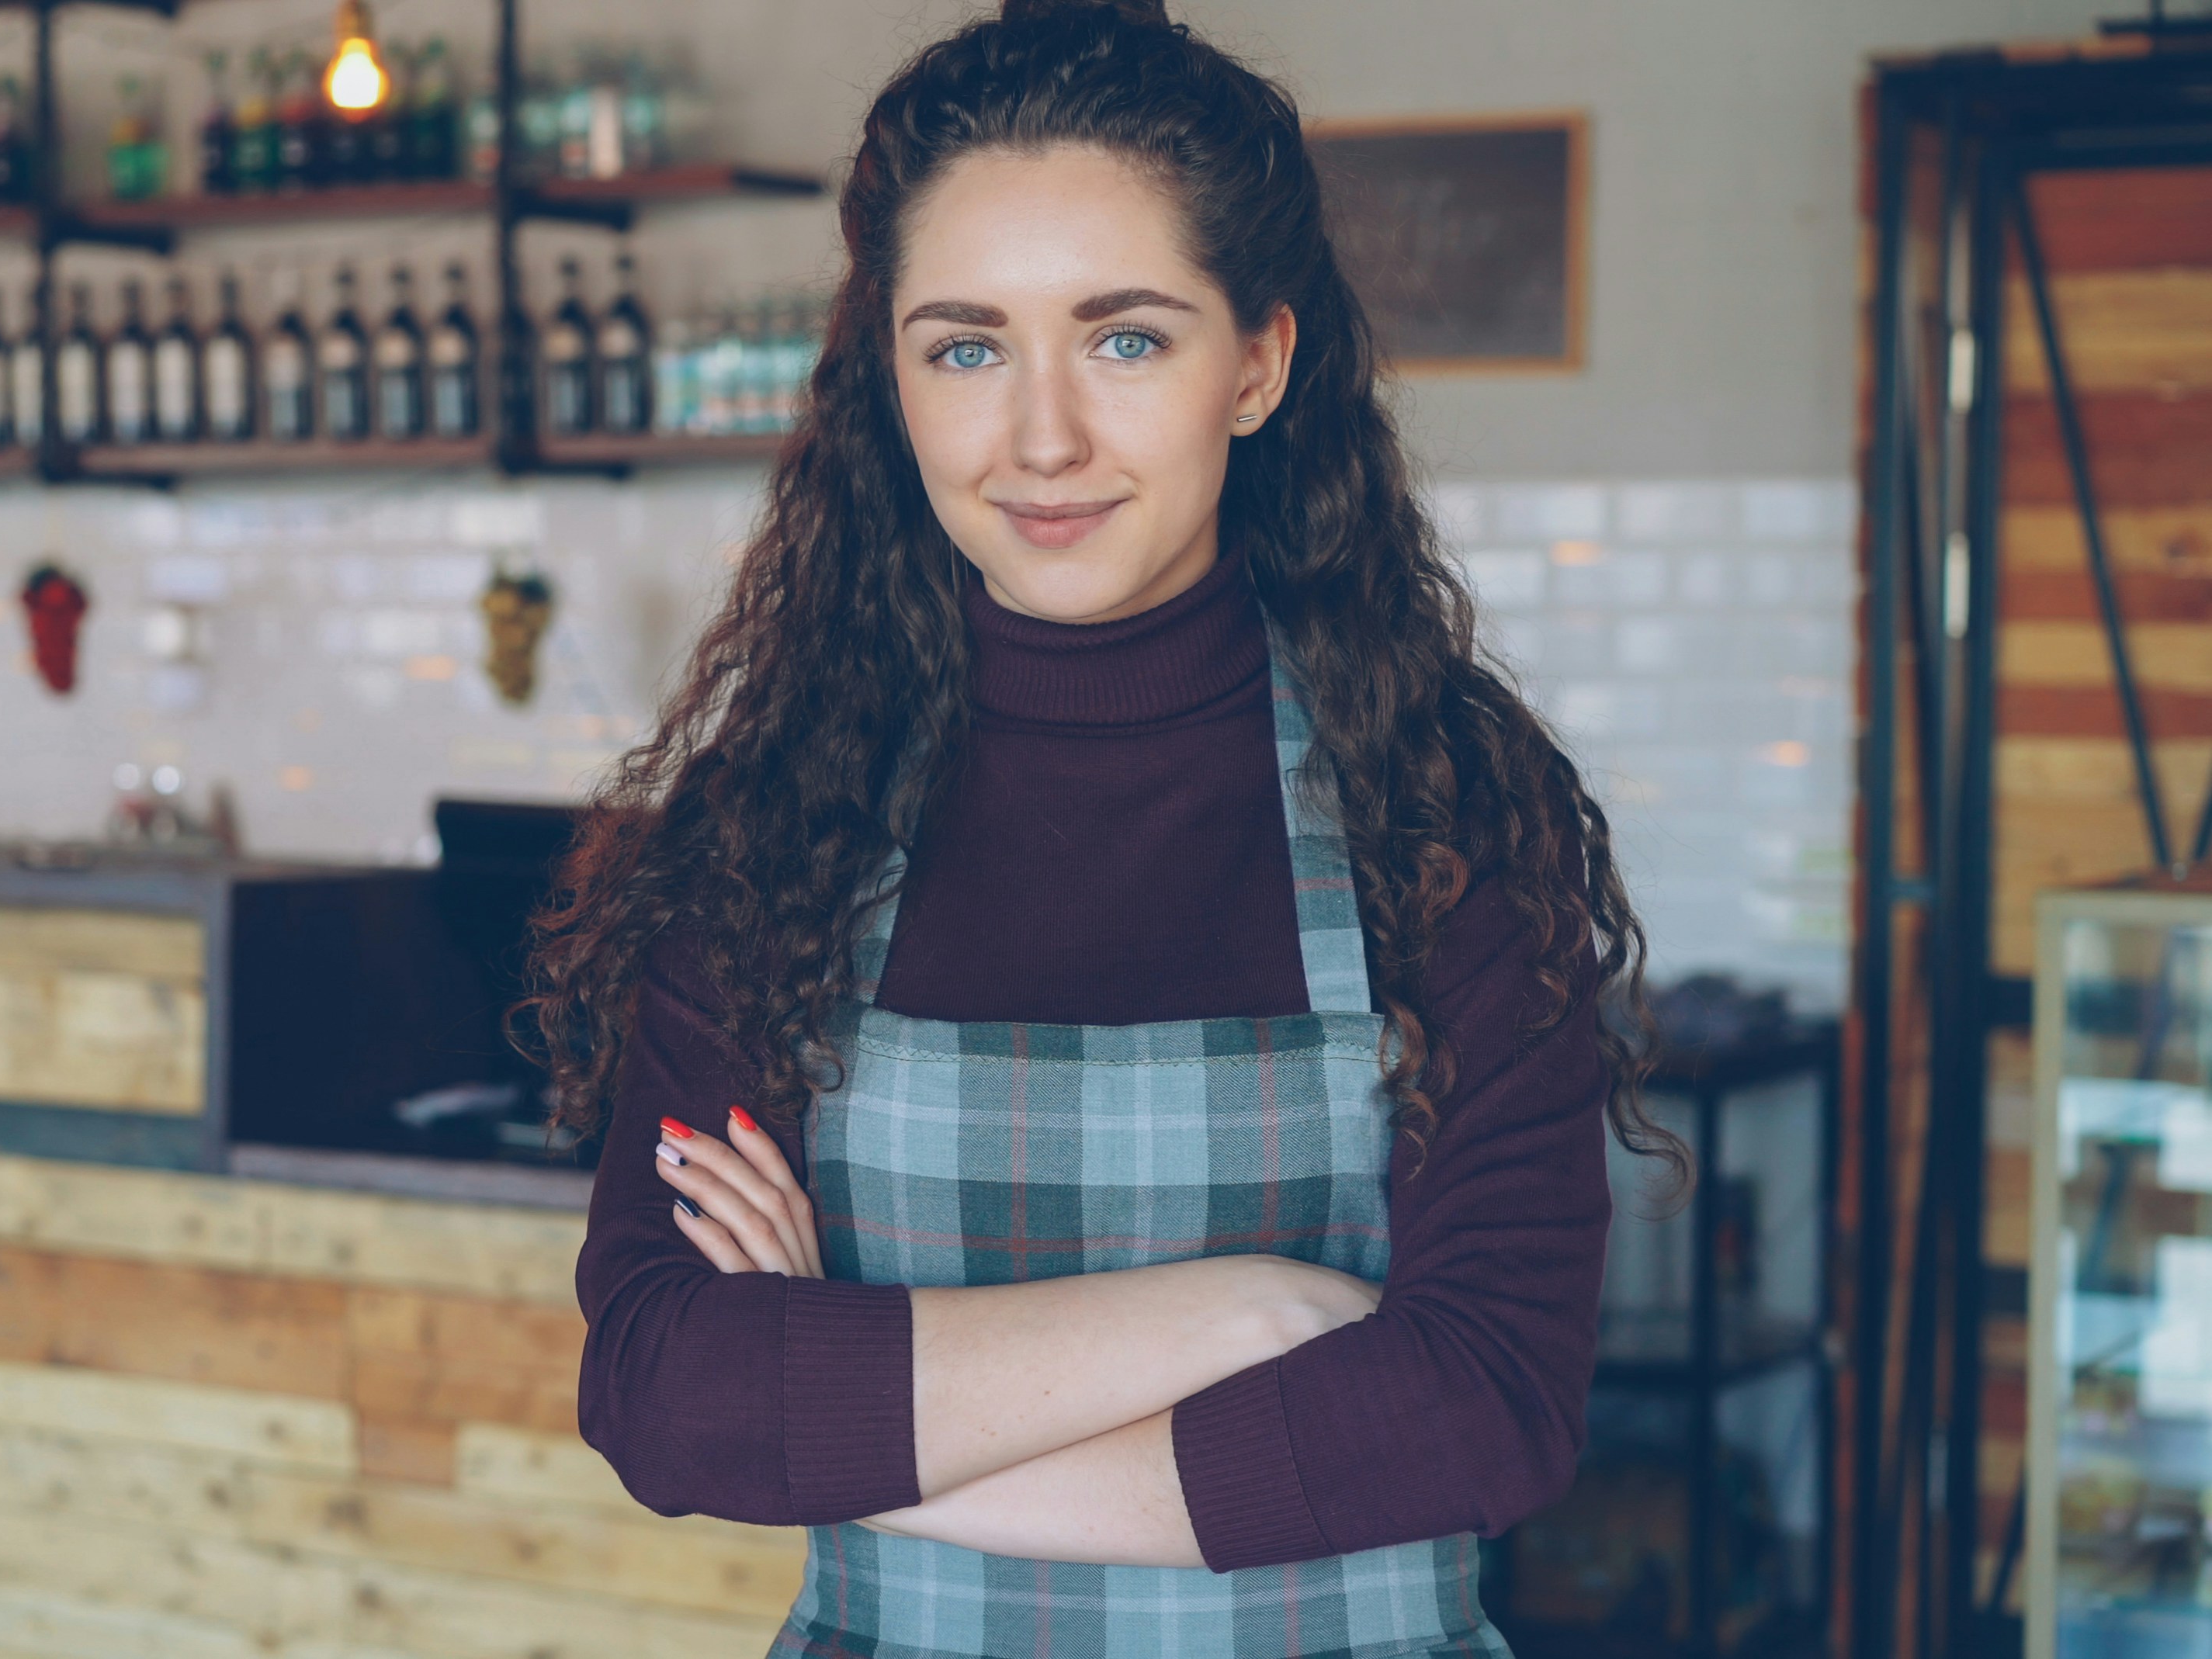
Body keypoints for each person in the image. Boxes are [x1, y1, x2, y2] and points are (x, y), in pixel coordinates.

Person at [522, 0, 1686, 1652]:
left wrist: (841, 1422)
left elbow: (1480, 1404)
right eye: (966, 345)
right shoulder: (776, 822)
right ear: (894, 380)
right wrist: (1243, 1311)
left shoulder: (1440, 808)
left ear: (1257, 364)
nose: (1041, 436)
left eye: (1124, 337)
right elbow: (661, 1387)